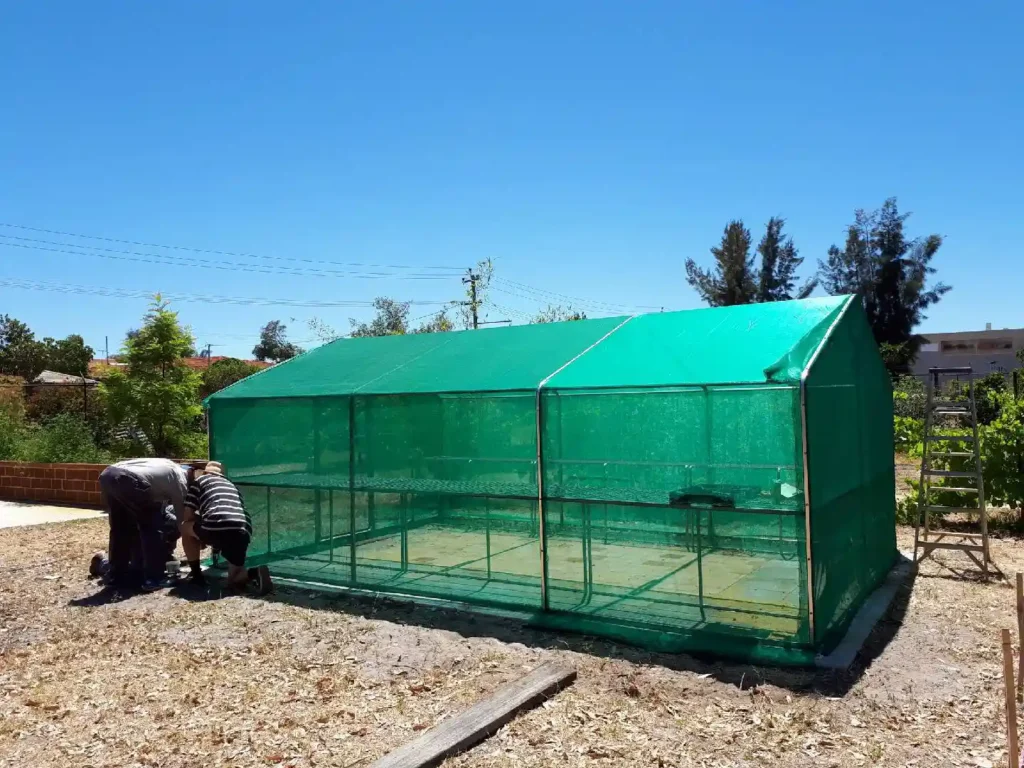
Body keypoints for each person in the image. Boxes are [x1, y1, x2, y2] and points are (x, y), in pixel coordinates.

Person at [180, 461, 271, 594]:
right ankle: (253, 572)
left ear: (206, 472)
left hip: (215, 525)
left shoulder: (200, 481)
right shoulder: (232, 486)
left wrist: (199, 537)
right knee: (233, 580)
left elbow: (188, 515)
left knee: (185, 527)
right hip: (243, 529)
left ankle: (196, 575)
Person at [98, 458, 188, 590]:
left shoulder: (166, 465)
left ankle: (116, 576)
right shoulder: (180, 479)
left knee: (119, 529)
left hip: (107, 475)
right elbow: (182, 521)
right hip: (128, 479)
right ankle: (154, 578)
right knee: (151, 529)